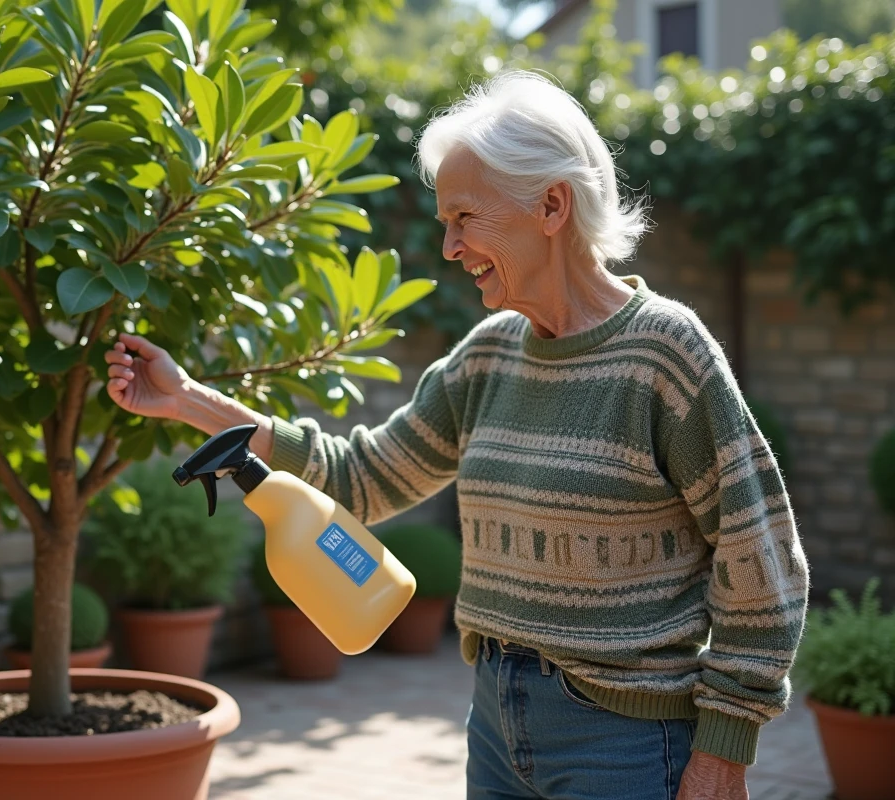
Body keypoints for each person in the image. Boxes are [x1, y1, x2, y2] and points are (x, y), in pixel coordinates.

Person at [102, 70, 808, 800]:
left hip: (623, 741)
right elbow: (360, 479)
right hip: (496, 724)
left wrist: (725, 749)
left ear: (551, 205)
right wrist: (189, 401)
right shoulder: (487, 355)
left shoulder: (666, 355)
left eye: (464, 218)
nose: (448, 246)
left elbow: (762, 555)